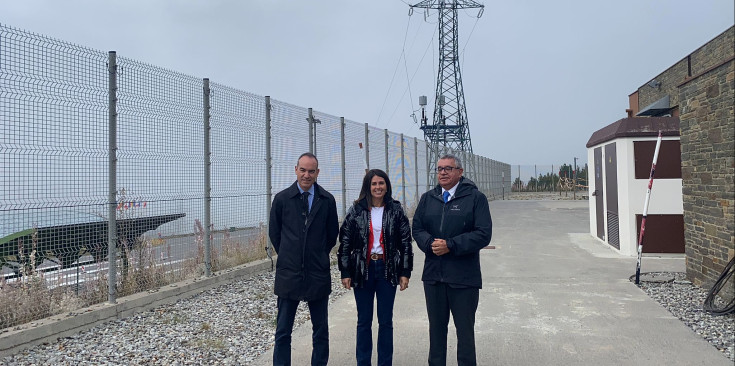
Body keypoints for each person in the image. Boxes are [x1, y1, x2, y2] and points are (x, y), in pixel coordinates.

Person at [412, 153, 493, 366]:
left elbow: (483, 233)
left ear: (460, 172)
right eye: (439, 169)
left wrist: (451, 245)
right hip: (434, 277)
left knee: (465, 332)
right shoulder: (428, 198)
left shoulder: (476, 198)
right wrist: (430, 243)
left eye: (448, 168)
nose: (443, 172)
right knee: (436, 331)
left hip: (463, 278)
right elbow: (417, 228)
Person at [269, 152, 339, 366]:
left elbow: (331, 234)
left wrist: (315, 255)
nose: (307, 175)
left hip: (317, 273)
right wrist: (292, 254)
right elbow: (275, 234)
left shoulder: (327, 200)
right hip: (289, 274)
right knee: (283, 332)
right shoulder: (282, 199)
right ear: (296, 169)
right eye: (303, 170)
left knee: (320, 331)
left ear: (318, 172)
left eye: (311, 171)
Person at [338, 169, 413, 366]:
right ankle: (363, 362)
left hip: (387, 269)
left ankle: (384, 362)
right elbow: (345, 241)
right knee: (364, 322)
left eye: (381, 183)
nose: (378, 187)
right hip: (364, 269)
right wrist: (345, 271)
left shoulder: (396, 210)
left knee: (386, 322)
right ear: (368, 187)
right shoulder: (356, 210)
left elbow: (406, 242)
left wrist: (405, 272)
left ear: (386, 185)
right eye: (374, 184)